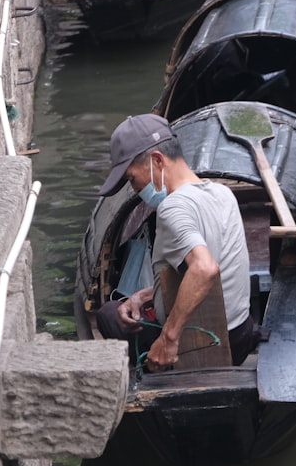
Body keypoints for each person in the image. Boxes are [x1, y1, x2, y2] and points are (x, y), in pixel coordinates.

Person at [96, 114, 261, 370]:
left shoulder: (172, 207)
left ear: (157, 160)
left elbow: (205, 268)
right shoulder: (222, 193)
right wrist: (148, 295)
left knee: (108, 314)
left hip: (202, 344)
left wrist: (168, 338)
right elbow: (213, 269)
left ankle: (154, 374)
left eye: (131, 179)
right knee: (129, 306)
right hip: (240, 335)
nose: (135, 189)